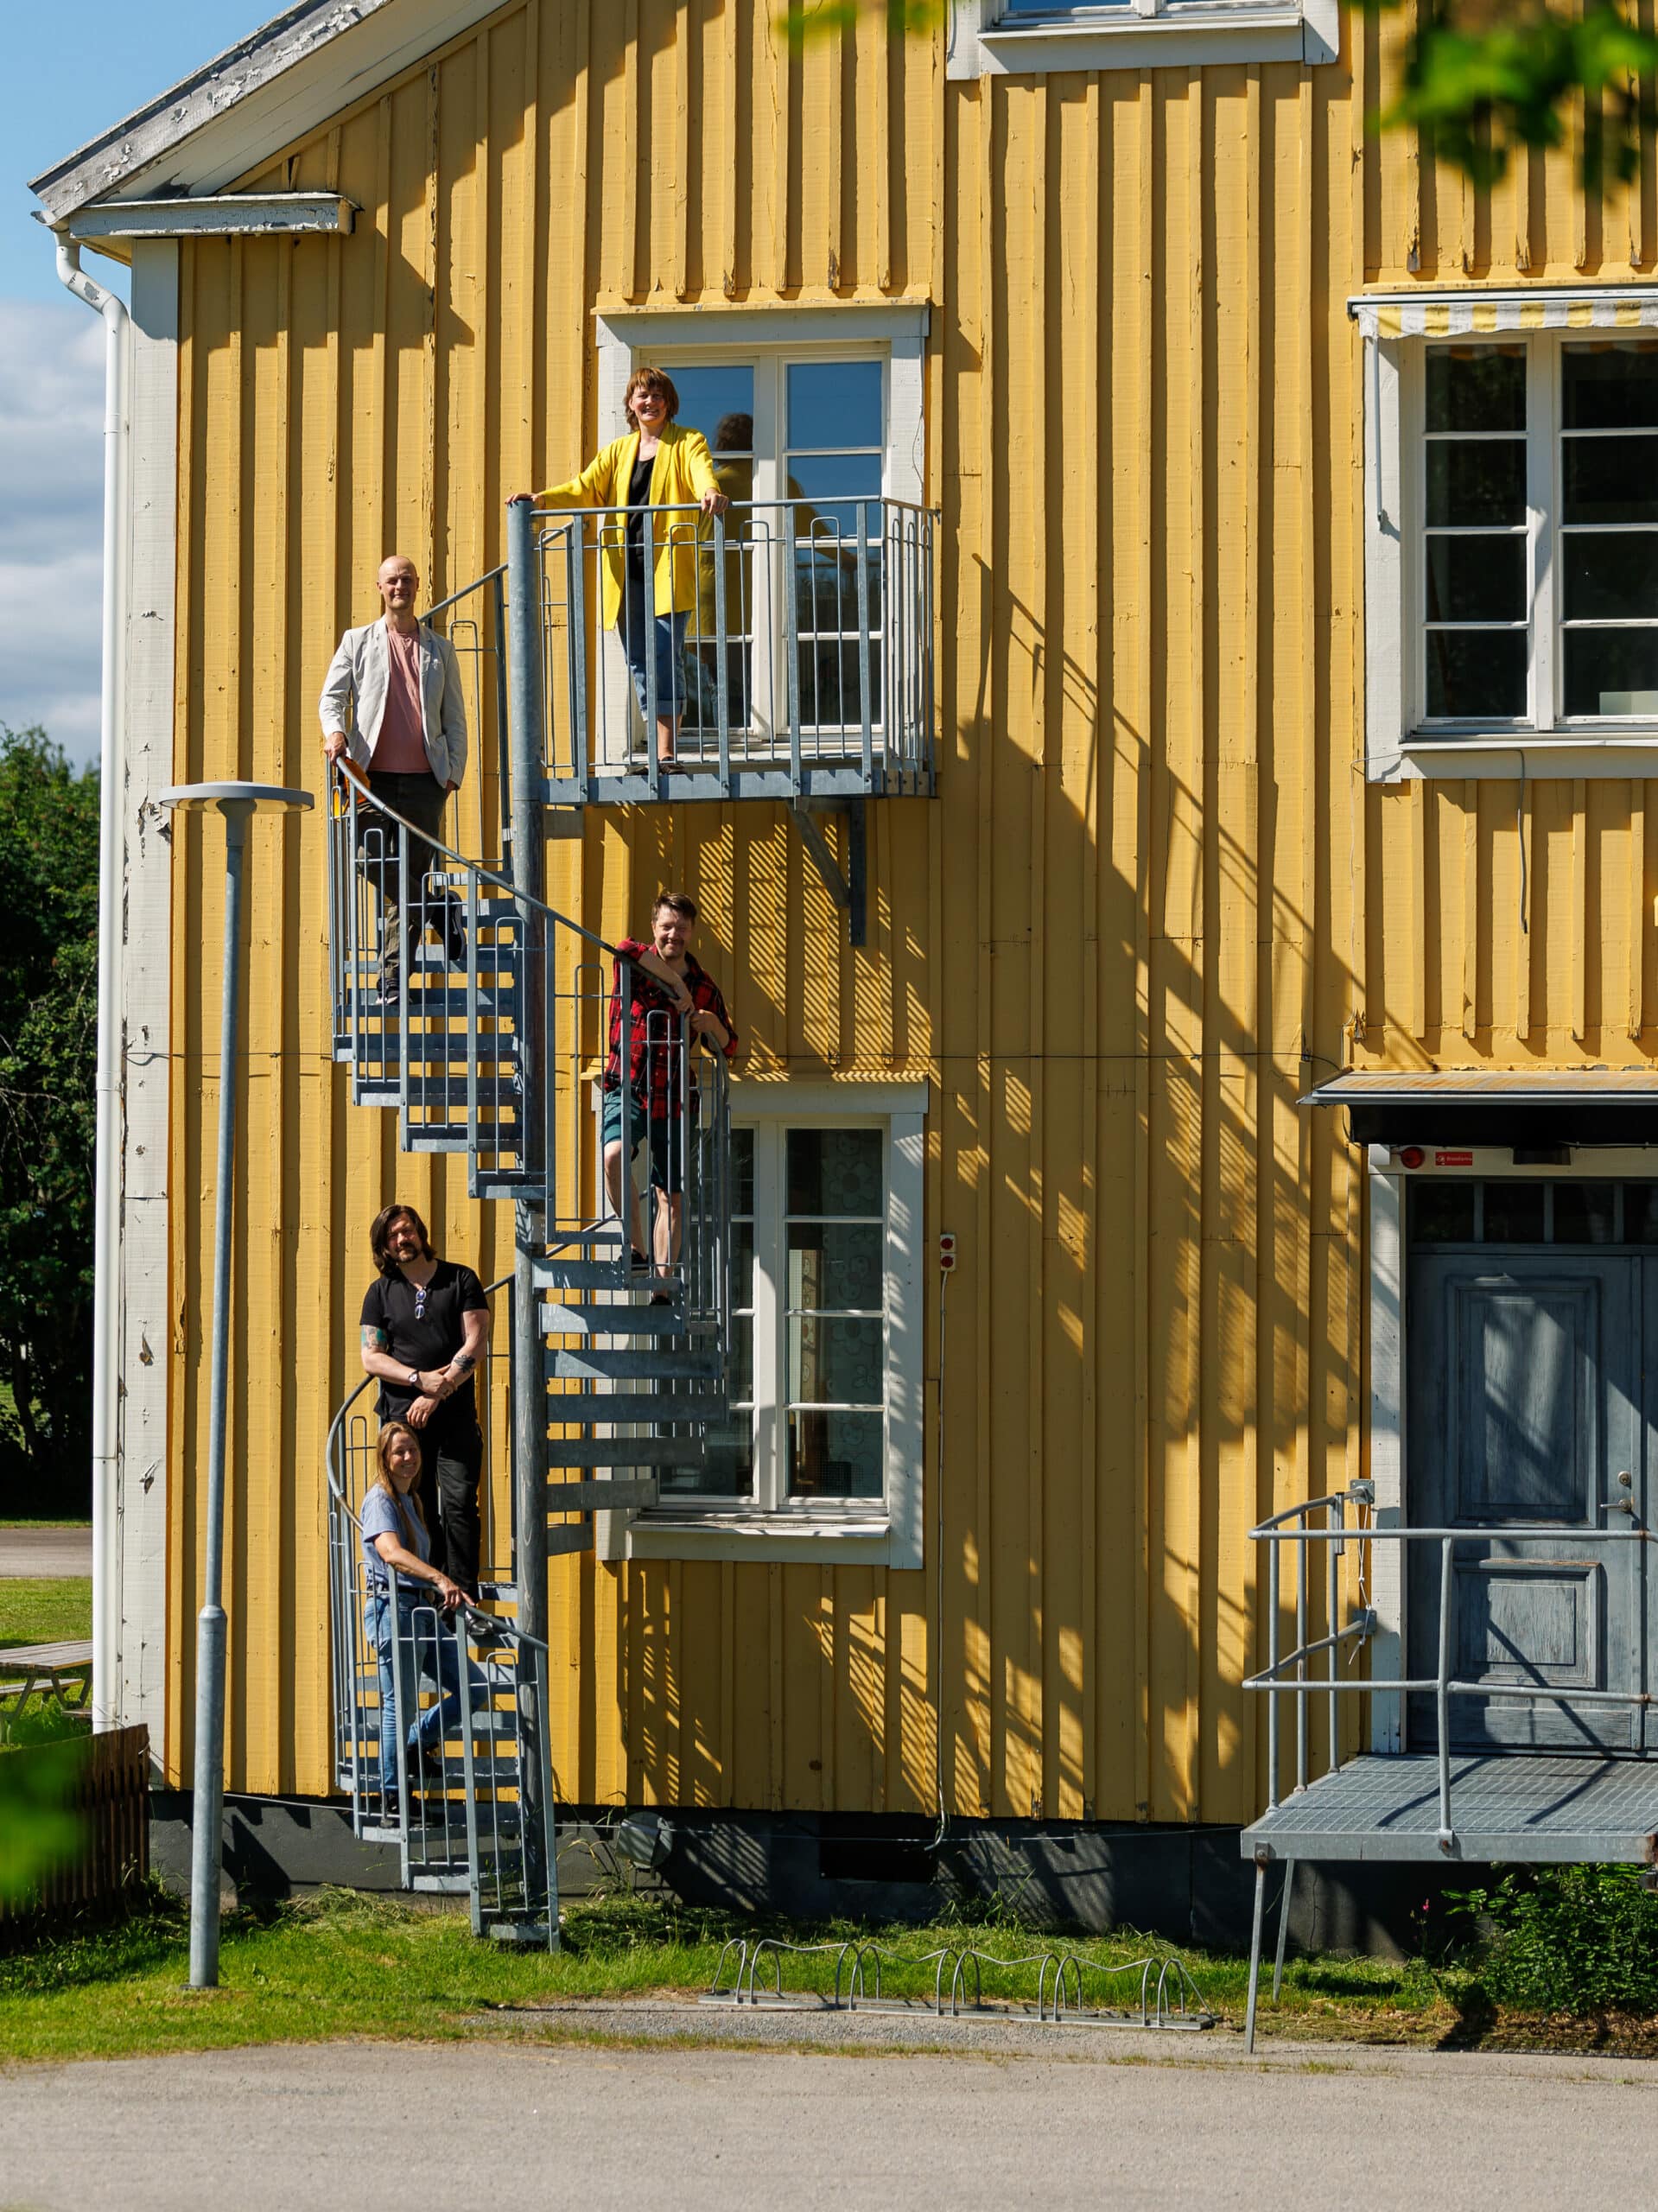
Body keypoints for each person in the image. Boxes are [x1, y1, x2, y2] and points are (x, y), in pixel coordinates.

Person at [530, 369, 727, 769]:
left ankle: (668, 751)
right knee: (639, 658)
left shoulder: (688, 441)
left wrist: (710, 491)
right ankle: (655, 751)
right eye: (642, 396)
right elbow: (583, 487)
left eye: (657, 395)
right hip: (627, 571)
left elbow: (700, 470)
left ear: (668, 403)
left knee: (664, 653)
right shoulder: (619, 452)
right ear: (631, 404)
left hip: (667, 567)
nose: (649, 402)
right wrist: (541, 499)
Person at [319, 553, 468, 1004]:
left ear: (416, 586)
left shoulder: (440, 649)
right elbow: (331, 698)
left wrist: (453, 774)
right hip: (370, 780)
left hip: (426, 781)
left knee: (408, 880)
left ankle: (391, 979)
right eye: (391, 581)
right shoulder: (357, 641)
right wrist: (336, 732)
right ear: (379, 588)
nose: (399, 586)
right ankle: (440, 908)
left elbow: (455, 718)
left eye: (406, 579)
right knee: (372, 864)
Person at [602, 891, 738, 1298]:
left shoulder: (705, 986)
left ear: (692, 932)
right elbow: (622, 946)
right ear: (654, 928)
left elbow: (729, 1046)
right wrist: (674, 983)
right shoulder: (635, 964)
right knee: (613, 1156)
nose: (673, 934)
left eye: (680, 928)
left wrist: (711, 1022)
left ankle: (662, 1286)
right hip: (628, 1083)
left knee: (671, 1196)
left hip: (676, 1096)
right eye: (666, 926)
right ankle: (638, 1249)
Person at [359, 1203, 490, 1598]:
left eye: (408, 1230)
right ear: (385, 1245)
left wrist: (437, 1392)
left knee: (460, 1503)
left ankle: (465, 1594)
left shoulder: (460, 1279)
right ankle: (431, 1592)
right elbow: (371, 1357)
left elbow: (477, 1343)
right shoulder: (380, 1293)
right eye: (393, 1235)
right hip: (402, 1424)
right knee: (415, 1508)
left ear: (421, 1232)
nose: (403, 1239)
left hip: (454, 1418)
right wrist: (419, 1379)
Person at [359, 1421, 486, 1820]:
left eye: (412, 1449)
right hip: (394, 1609)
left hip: (420, 1609)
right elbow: (392, 1554)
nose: (408, 1457)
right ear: (385, 1457)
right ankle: (394, 1798)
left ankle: (414, 1744)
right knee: (400, 1704)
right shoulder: (380, 1499)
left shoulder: (411, 1500)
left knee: (473, 1688)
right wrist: (440, 1577)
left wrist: (434, 1588)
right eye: (399, 1451)